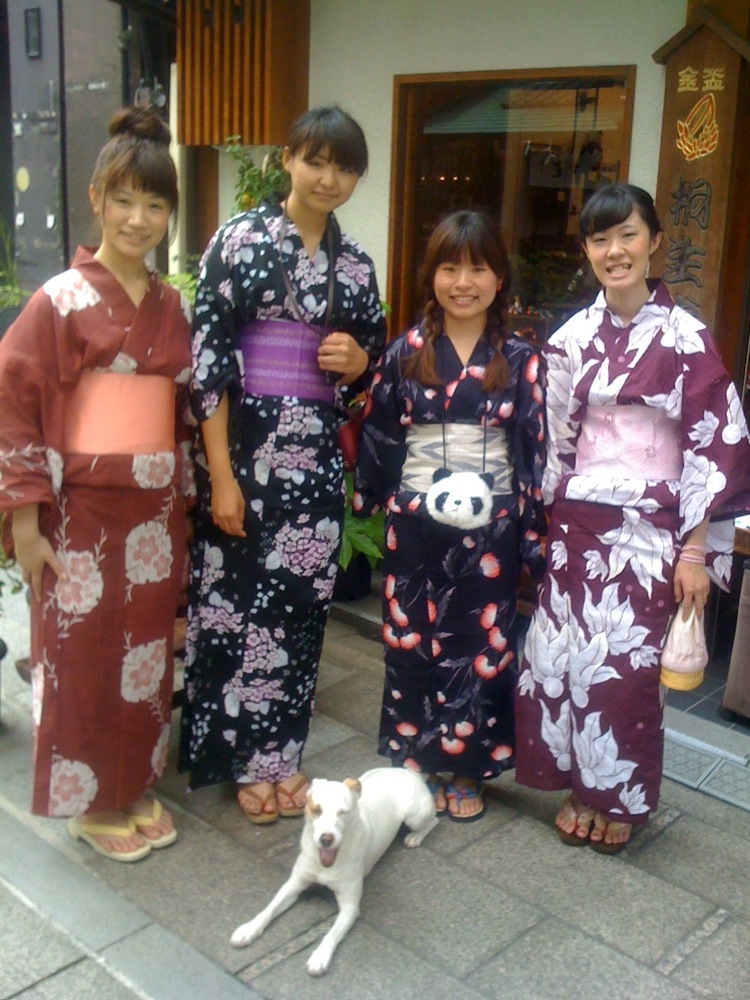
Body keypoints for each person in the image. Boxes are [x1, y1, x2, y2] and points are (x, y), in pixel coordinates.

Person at [514, 183, 750, 852]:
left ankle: (615, 797)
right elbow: (552, 441)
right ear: (587, 251)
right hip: (577, 527)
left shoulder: (686, 338)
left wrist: (696, 551)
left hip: (650, 531)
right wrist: (542, 525)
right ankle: (578, 787)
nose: (614, 251)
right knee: (566, 661)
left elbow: (712, 445)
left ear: (654, 243)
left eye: (628, 235)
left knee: (625, 672)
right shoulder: (571, 336)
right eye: (600, 239)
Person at [180, 105, 386, 823]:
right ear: (289, 159)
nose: (328, 178)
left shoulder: (355, 264)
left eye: (344, 168)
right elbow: (208, 364)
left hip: (315, 464)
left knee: (299, 614)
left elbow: (368, 373)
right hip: (244, 452)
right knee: (233, 609)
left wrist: (357, 364)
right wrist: (221, 478)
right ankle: (239, 757)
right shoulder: (238, 241)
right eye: (315, 161)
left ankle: (281, 755)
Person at [0, 108, 192, 861]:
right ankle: (91, 801)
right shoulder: (60, 299)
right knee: (82, 655)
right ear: (96, 198)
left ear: (170, 212)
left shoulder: (171, 305)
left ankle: (133, 783)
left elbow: (181, 410)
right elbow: (14, 404)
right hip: (80, 509)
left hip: (154, 509)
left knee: (144, 654)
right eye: (124, 200)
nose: (138, 219)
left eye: (155, 204)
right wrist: (24, 523)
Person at [354, 211, 546, 821]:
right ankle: (418, 756)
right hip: (415, 517)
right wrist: (376, 501)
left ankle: (468, 765)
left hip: (492, 524)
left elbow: (532, 445)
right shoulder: (404, 352)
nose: (463, 282)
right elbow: (381, 433)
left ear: (499, 278)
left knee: (480, 641)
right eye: (450, 268)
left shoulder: (520, 357)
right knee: (411, 637)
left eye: (478, 268)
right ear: (431, 275)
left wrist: (531, 527)